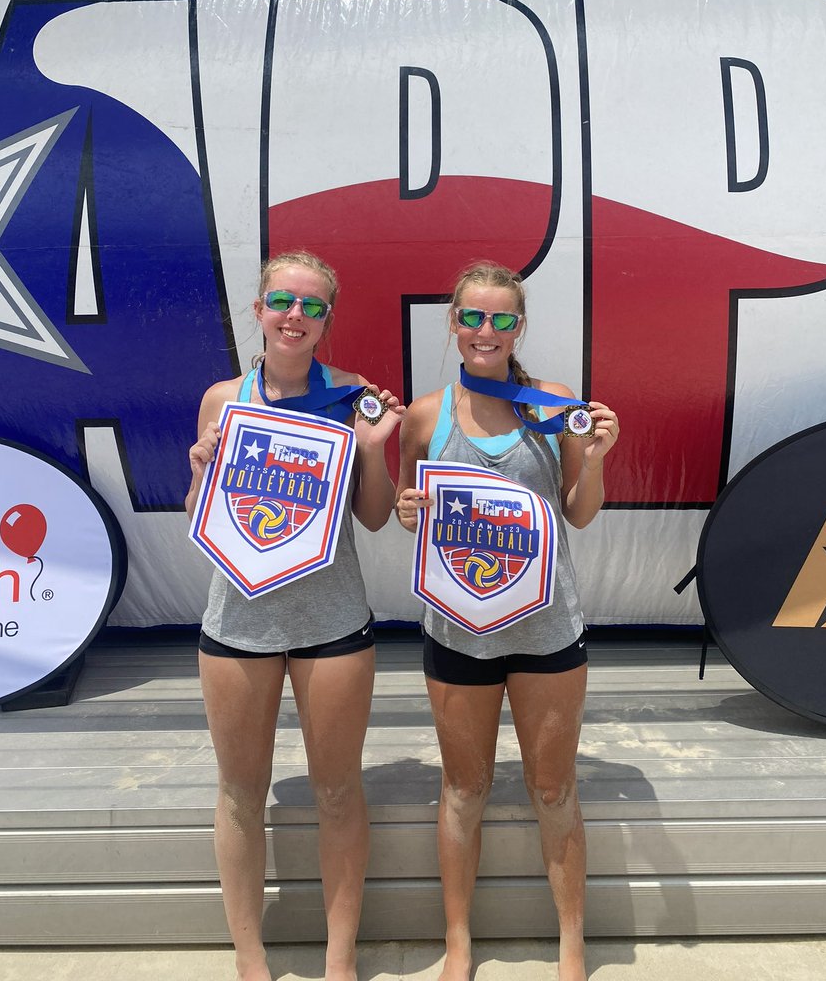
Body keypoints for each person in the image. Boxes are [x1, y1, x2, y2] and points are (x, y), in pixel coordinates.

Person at [396, 261, 618, 981]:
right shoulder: (426, 415)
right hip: (459, 632)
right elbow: (412, 511)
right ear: (452, 323)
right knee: (464, 789)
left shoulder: (552, 403)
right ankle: (458, 944)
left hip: (547, 630)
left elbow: (579, 513)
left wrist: (600, 459)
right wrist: (407, 515)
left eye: (501, 319)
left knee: (553, 789)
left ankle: (572, 945)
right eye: (472, 317)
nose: (485, 331)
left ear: (519, 327)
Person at [186, 249, 404, 981]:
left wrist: (375, 451)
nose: (295, 316)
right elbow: (201, 516)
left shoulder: (352, 398)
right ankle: (251, 961)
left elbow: (374, 519)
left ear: (327, 321)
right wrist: (200, 468)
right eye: (283, 301)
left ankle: (339, 961)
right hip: (237, 624)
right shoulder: (223, 399)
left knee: (339, 791)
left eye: (312, 306)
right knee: (240, 794)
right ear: (259, 310)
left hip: (332, 622)